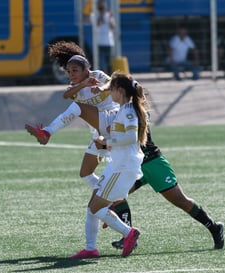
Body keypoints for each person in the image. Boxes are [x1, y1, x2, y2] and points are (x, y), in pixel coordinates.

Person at [103, 123, 225, 251]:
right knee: (117, 194)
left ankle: (215, 228)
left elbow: (129, 135)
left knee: (181, 201)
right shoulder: (119, 107)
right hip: (133, 164)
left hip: (152, 163)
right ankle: (128, 237)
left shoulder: (134, 108)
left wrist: (108, 136)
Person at [70, 72, 148, 259]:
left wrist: (106, 143)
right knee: (92, 206)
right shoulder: (123, 109)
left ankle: (128, 233)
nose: (109, 93)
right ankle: (90, 248)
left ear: (119, 91)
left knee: (96, 208)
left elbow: (130, 137)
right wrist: (106, 141)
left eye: (111, 89)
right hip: (117, 166)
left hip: (122, 168)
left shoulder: (128, 110)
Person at [26, 41, 119, 190]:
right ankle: (108, 198)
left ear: (87, 69)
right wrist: (84, 84)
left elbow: (112, 83)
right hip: (100, 130)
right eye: (68, 72)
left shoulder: (98, 75)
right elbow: (66, 95)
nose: (71, 74)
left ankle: (47, 132)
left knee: (78, 107)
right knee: (86, 174)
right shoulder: (75, 87)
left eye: (74, 70)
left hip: (114, 120)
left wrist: (101, 88)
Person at [90, 0, 115, 74]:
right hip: (98, 42)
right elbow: (97, 25)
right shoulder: (94, 15)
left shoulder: (108, 15)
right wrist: (101, 15)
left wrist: (110, 18)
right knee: (99, 62)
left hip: (108, 42)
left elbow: (113, 27)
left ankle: (110, 77)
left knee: (109, 62)